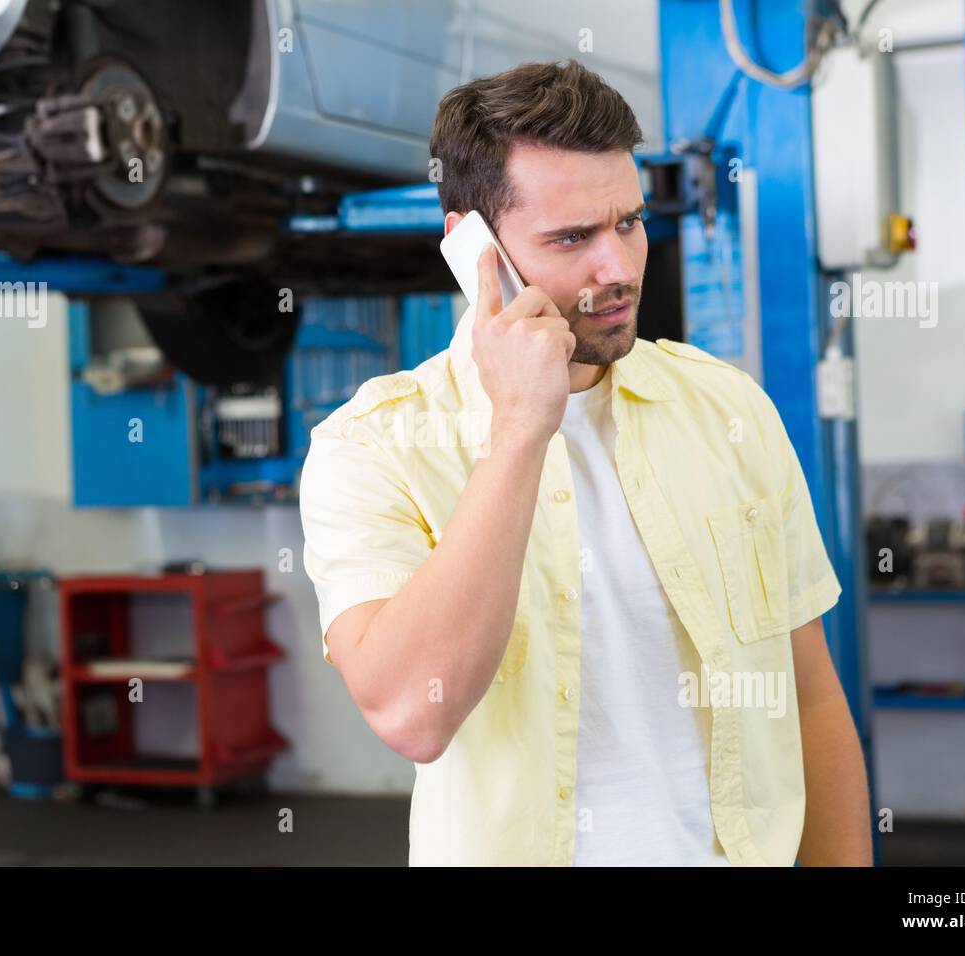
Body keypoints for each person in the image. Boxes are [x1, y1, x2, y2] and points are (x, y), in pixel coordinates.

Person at [299, 59, 871, 866]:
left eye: (629, 224)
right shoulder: (372, 446)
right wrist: (520, 435)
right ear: (475, 251)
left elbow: (809, 694)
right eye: (572, 238)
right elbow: (410, 714)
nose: (618, 269)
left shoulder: (727, 412)